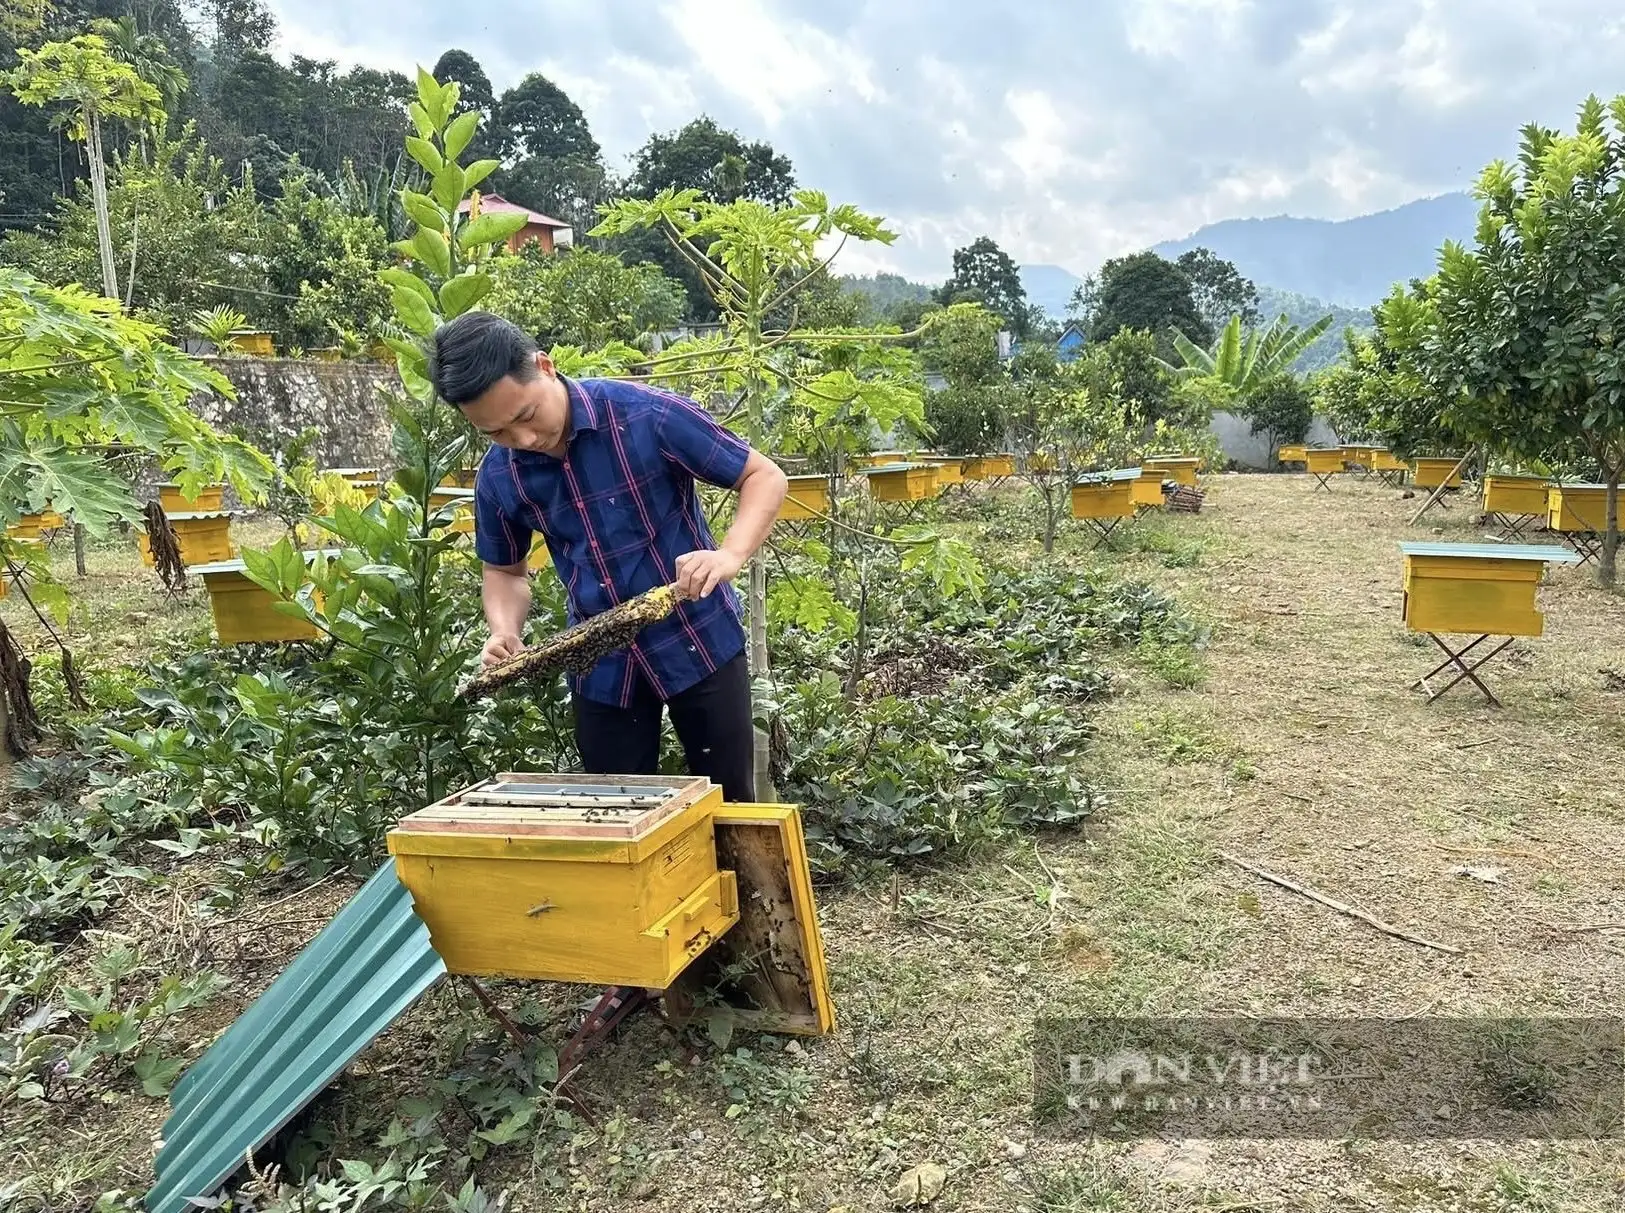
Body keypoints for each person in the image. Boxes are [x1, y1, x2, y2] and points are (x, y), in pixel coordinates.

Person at [426, 312, 787, 803]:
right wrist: (504, 630)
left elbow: (763, 476)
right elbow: (504, 570)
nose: (523, 440)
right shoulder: (498, 476)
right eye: (497, 433)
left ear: (545, 366)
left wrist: (729, 554)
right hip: (599, 663)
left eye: (526, 416)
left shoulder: (646, 415)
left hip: (698, 638)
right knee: (616, 811)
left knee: (730, 804)